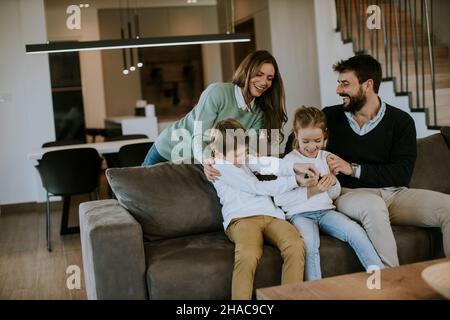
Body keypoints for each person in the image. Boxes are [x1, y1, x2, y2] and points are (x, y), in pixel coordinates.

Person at [321, 54, 450, 267]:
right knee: (373, 205)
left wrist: (353, 169)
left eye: (345, 84)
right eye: (339, 83)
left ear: (368, 85)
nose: (338, 90)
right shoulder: (330, 117)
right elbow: (297, 142)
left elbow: (401, 173)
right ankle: (391, 285)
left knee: (448, 206)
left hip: (394, 194)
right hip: (350, 195)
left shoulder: (401, 122)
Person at [209, 118, 316, 300]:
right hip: (241, 220)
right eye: (236, 155)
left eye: (243, 153)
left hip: (271, 216)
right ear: (218, 152)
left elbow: (270, 164)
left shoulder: (243, 160)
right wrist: (295, 181)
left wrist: (296, 166)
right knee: (248, 254)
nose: (241, 159)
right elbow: (256, 187)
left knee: (296, 245)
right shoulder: (220, 166)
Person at [274, 106, 384, 280]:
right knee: (310, 245)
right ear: (296, 135)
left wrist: (333, 183)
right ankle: (317, 292)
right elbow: (280, 199)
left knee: (355, 231)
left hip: (326, 212)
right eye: (306, 141)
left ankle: (380, 277)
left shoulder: (327, 157)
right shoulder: (289, 162)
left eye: (317, 140)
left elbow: (333, 195)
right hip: (300, 216)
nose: (311, 147)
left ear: (324, 135)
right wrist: (312, 190)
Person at [142, 50, 288, 166]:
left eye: (269, 78)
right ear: (247, 73)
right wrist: (209, 162)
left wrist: (253, 160)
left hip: (198, 160)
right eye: (259, 74)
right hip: (169, 149)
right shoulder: (217, 92)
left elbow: (248, 149)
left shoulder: (258, 112)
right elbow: (199, 136)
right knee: (136, 191)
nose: (264, 82)